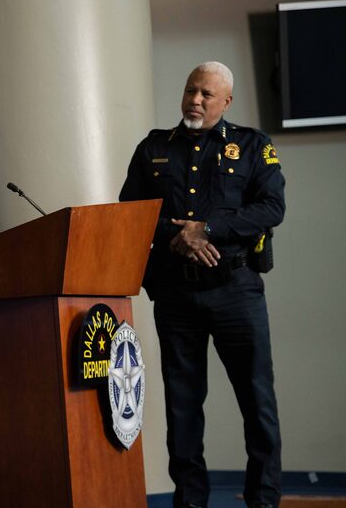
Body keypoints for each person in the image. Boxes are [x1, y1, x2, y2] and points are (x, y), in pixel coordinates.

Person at [119, 61, 284, 508]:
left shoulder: (252, 146)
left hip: (236, 290)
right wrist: (179, 238)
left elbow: (271, 208)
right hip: (177, 295)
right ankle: (190, 500)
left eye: (206, 94)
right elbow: (130, 214)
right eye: (191, 90)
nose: (195, 99)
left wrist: (207, 230)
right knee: (183, 406)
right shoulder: (152, 148)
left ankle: (264, 499)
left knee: (257, 400)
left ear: (226, 101)